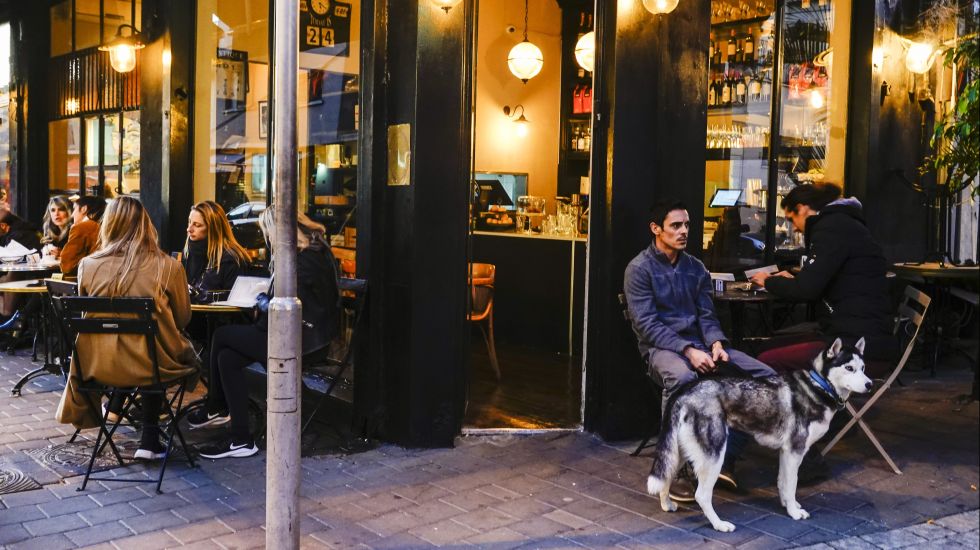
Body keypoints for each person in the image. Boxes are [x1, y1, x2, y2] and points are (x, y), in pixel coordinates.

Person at [624, 199, 775, 501]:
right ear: (656, 229)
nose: (683, 231)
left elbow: (707, 316)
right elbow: (647, 326)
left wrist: (717, 343)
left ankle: (724, 459)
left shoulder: (695, 268)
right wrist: (688, 350)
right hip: (662, 349)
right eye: (675, 225)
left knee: (767, 378)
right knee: (682, 379)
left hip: (702, 345)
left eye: (687, 225)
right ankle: (677, 470)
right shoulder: (639, 269)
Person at [189, 208, 341, 459]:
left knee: (222, 335)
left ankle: (216, 405)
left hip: (300, 340)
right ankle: (240, 439)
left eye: (267, 232)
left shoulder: (301, 260)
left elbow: (286, 306)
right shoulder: (312, 253)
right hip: (301, 334)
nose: (267, 239)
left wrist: (261, 301)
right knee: (227, 358)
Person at [55, 196, 200, 459]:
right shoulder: (169, 266)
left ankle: (120, 413)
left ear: (108, 225)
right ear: (145, 224)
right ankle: (149, 440)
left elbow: (90, 314)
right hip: (154, 365)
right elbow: (182, 318)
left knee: (137, 348)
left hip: (98, 365)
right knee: (154, 352)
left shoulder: (88, 265)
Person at [749, 183, 897, 374]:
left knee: (766, 359)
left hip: (858, 347)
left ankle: (797, 395)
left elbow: (806, 290)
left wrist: (768, 281)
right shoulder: (841, 223)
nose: (794, 228)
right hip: (861, 336)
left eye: (791, 219)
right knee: (765, 348)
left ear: (802, 208)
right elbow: (826, 278)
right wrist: (794, 279)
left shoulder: (831, 228)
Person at [182, 201, 250, 303]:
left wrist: (197, 295)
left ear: (212, 229)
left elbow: (235, 302)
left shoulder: (231, 259)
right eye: (189, 222)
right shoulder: (189, 251)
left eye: (197, 225)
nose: (189, 229)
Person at [0, 209, 42, 322]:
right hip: (26, 276)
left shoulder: (18, 236)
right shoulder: (19, 232)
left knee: (10, 277)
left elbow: (13, 261)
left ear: (3, 226)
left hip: (30, 277)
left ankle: (9, 319)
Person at [59, 196, 107, 277]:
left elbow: (67, 266)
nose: (72, 215)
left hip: (89, 278)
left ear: (84, 209)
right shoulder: (104, 226)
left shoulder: (82, 227)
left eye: (74, 209)